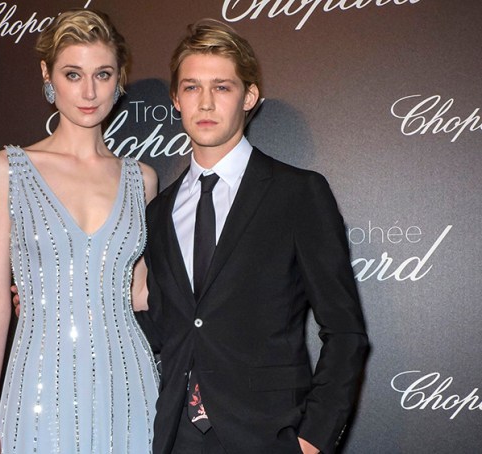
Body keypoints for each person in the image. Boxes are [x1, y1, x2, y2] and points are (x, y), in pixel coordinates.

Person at [142, 19, 369, 454]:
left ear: (249, 97)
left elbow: (344, 330)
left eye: (222, 87)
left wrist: (313, 439)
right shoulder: (159, 211)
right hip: (177, 438)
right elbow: (165, 328)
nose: (205, 102)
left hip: (270, 437)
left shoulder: (298, 193)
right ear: (175, 99)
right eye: (191, 87)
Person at [0, 9, 159, 454]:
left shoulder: (143, 179)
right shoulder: (7, 170)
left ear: (120, 79)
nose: (89, 92)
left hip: (128, 386)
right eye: (73, 74)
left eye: (103, 74)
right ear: (48, 75)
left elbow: (141, 293)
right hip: (37, 388)